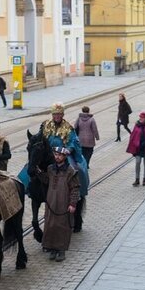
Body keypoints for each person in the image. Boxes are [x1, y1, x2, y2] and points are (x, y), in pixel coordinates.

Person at [40, 103, 89, 232]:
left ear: (62, 115)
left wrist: (68, 149)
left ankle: (79, 192)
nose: (57, 116)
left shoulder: (68, 127)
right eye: (55, 114)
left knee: (77, 170)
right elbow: (41, 138)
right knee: (31, 168)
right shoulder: (46, 125)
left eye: (59, 114)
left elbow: (74, 141)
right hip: (49, 155)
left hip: (64, 154)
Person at [35, 147, 80, 262]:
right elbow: (46, 180)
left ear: (64, 157)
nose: (57, 157)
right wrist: (39, 173)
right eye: (55, 154)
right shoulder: (50, 168)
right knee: (50, 225)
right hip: (51, 202)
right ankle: (52, 248)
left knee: (62, 226)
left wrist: (73, 204)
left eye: (59, 155)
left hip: (63, 202)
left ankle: (61, 250)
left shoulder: (70, 171)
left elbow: (75, 189)